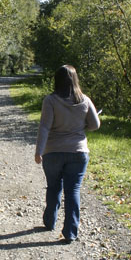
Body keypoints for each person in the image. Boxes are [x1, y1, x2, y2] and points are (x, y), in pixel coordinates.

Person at [35, 64, 100, 243]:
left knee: (54, 186)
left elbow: (45, 127)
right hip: (78, 152)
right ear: (75, 80)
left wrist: (38, 151)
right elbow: (95, 125)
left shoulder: (50, 100)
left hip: (53, 151)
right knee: (73, 190)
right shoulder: (84, 100)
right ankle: (70, 232)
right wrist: (81, 126)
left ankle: (50, 221)